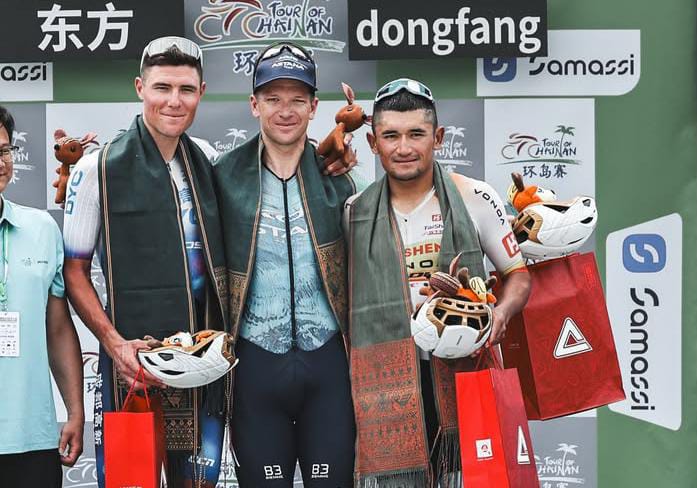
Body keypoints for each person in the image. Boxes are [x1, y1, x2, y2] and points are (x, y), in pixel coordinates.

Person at [344, 78, 532, 487]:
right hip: (387, 385)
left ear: (439, 137)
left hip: (465, 372)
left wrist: (500, 314)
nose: (404, 147)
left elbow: (518, 275)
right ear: (373, 143)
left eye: (416, 134)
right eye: (390, 136)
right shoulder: (354, 211)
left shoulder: (475, 197)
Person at [62, 37, 228, 488]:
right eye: (162, 87)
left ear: (201, 92)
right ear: (140, 88)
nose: (174, 101)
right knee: (129, 482)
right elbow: (74, 271)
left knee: (199, 484)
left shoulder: (211, 161)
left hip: (202, 363)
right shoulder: (96, 169)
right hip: (130, 363)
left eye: (186, 89)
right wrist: (114, 344)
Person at [212, 41, 358, 487]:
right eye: (273, 98)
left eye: (297, 99)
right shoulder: (222, 175)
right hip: (255, 364)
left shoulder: (342, 178)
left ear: (314, 107)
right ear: (254, 104)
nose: (285, 111)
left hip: (328, 366)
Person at [0, 105, 84, 486]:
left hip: (33, 440)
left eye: (4, 150)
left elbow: (58, 329)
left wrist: (75, 411)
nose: (0, 162)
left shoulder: (42, 229)